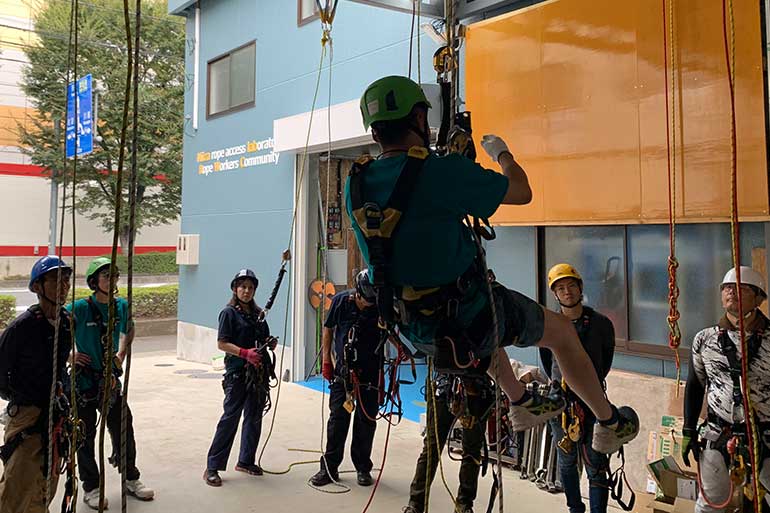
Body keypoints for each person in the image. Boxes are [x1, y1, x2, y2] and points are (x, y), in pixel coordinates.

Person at [346, 75, 638, 453]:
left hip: (414, 325)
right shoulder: (441, 171)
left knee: (485, 324)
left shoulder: (358, 182)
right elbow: (521, 191)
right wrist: (502, 155)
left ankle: (519, 401)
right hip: (467, 317)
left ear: (374, 132)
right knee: (561, 333)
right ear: (419, 117)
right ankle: (608, 421)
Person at [682, 266, 770, 513]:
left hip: (765, 434)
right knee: (710, 505)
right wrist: (688, 428)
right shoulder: (704, 340)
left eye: (741, 288)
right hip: (719, 433)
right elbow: (695, 385)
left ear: (759, 297)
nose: (732, 291)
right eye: (727, 288)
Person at [69, 257, 154, 508]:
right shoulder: (79, 308)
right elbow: (55, 330)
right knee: (84, 435)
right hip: (84, 381)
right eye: (106, 275)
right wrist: (69, 354)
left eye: (114, 275)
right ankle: (92, 487)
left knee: (123, 427)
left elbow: (130, 329)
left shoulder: (122, 306)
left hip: (110, 381)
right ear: (94, 281)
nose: (112, 280)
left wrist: (121, 354)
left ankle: (130, 477)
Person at [540, 264, 615, 513]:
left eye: (571, 285)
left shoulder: (600, 324)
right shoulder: (550, 324)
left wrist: (588, 387)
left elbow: (605, 360)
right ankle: (575, 508)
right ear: (555, 294)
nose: (567, 292)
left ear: (580, 287)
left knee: (597, 461)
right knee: (567, 460)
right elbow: (547, 361)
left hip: (593, 400)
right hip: (561, 402)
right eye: (560, 288)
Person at [0, 255, 73, 513]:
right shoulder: (22, 327)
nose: (63, 285)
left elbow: (61, 366)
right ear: (37, 287)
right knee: (17, 485)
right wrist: (22, 398)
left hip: (55, 414)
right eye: (55, 279)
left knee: (47, 483)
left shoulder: (66, 323)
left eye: (66, 279)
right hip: (28, 415)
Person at [204, 269, 278, 487]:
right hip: (237, 373)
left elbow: (263, 336)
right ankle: (212, 466)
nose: (246, 291)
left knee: (254, 418)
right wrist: (245, 353)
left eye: (250, 287)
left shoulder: (258, 314)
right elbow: (222, 343)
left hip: (257, 375)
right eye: (242, 287)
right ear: (235, 289)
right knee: (230, 419)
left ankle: (246, 460)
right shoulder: (229, 313)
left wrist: (269, 342)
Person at [310, 270, 383, 487]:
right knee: (337, 422)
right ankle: (329, 468)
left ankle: (362, 467)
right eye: (365, 300)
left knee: (366, 421)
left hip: (369, 374)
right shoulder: (341, 301)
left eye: (372, 301)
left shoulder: (380, 306)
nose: (368, 304)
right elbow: (328, 329)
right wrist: (326, 361)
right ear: (357, 293)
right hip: (344, 374)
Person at [402, 372, 493, 513]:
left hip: (477, 390)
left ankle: (464, 504)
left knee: (472, 451)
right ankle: (416, 503)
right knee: (432, 447)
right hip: (444, 387)